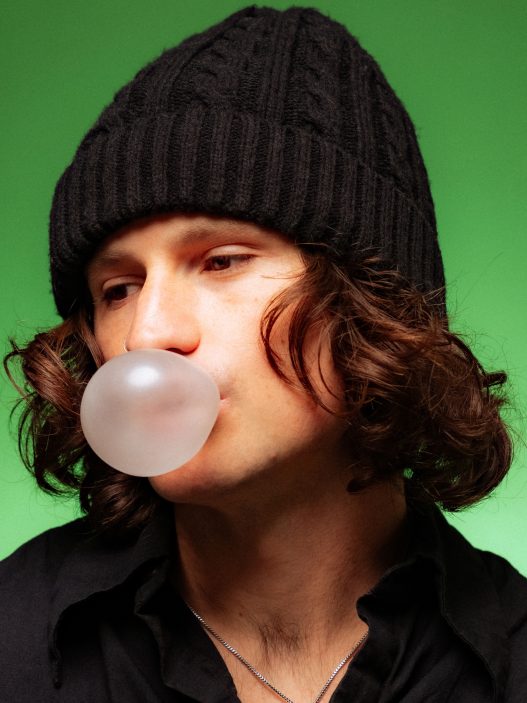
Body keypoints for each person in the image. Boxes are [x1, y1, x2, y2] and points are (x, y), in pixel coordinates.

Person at [1, 6, 526, 702]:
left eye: (221, 261)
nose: (147, 334)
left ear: (373, 298)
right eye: (118, 289)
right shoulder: (13, 640)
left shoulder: (513, 660)